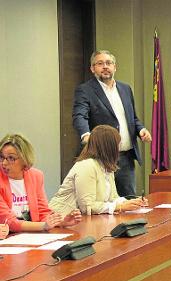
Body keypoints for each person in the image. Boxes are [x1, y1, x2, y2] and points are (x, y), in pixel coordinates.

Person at [73, 50, 152, 197]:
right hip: (100, 158)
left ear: (115, 67)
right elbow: (79, 116)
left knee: (129, 202)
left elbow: (132, 118)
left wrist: (141, 130)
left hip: (126, 158)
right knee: (103, 203)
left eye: (108, 63)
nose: (105, 66)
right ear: (92, 68)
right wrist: (86, 135)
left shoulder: (125, 89)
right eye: (100, 63)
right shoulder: (85, 90)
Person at [49, 126, 147, 215]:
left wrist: (132, 202)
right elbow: (87, 207)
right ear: (108, 147)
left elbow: (113, 198)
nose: (119, 148)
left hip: (83, 220)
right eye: (117, 144)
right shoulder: (87, 165)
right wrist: (120, 207)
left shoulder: (107, 166)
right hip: (60, 220)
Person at [0, 134, 81, 233]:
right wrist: (43, 226)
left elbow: (43, 213)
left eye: (11, 158)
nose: (3, 163)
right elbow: (8, 221)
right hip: (7, 237)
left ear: (24, 159)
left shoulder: (36, 176)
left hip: (31, 236)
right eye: (1, 157)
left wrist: (61, 222)